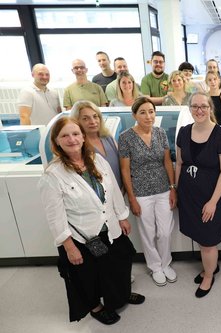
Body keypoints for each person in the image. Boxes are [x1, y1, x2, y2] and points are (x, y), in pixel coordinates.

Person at [38, 117, 144, 325]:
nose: (72, 139)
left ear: (83, 137)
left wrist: (122, 217)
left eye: (76, 134)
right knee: (88, 276)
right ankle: (96, 307)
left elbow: (112, 188)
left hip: (110, 226)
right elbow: (54, 216)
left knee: (120, 263)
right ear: (56, 141)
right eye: (65, 136)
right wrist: (69, 246)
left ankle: (121, 295)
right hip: (81, 236)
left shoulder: (95, 160)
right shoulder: (53, 174)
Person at [175, 92, 221, 297]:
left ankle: (209, 276)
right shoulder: (183, 132)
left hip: (211, 197)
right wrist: (175, 189)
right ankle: (210, 267)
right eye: (195, 106)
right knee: (200, 237)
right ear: (189, 109)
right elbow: (180, 164)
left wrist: (213, 202)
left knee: (208, 240)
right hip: (189, 195)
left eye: (204, 106)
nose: (199, 110)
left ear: (210, 108)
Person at [119, 97, 177, 286]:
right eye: (142, 112)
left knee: (165, 232)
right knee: (148, 232)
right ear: (134, 115)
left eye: (151, 111)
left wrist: (172, 188)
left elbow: (167, 162)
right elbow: (125, 170)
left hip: (162, 190)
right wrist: (132, 199)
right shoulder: (126, 137)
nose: (148, 116)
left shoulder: (160, 133)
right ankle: (155, 267)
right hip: (141, 193)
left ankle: (166, 263)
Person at [70, 100, 123, 189]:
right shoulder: (78, 146)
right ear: (76, 121)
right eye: (85, 118)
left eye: (95, 116)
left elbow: (122, 166)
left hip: (120, 192)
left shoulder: (108, 138)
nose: (93, 121)